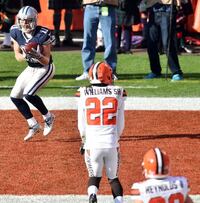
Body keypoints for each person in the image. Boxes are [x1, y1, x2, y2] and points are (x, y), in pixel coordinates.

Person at [77, 62, 126, 203]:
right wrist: (116, 137)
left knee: (94, 177)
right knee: (113, 178)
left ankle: (92, 195)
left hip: (92, 144)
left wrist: (83, 139)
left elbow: (81, 122)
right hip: (111, 142)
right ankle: (119, 201)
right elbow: (120, 122)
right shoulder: (119, 91)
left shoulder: (82, 92)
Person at [10, 6, 56, 141]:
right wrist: (26, 55)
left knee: (29, 94)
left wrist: (37, 55)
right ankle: (33, 124)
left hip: (45, 68)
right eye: (22, 20)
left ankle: (48, 117)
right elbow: (17, 56)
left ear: (34, 20)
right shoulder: (15, 31)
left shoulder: (43, 33)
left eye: (28, 20)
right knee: (15, 96)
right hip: (30, 68)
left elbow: (46, 60)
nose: (24, 23)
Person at [75, 0, 119, 81]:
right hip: (90, 5)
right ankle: (87, 71)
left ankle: (110, 71)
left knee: (109, 41)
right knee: (88, 39)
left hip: (107, 6)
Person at [143, 0, 184, 81]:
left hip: (168, 8)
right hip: (153, 8)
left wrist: (178, 3)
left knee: (167, 43)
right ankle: (155, 71)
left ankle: (176, 72)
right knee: (151, 43)